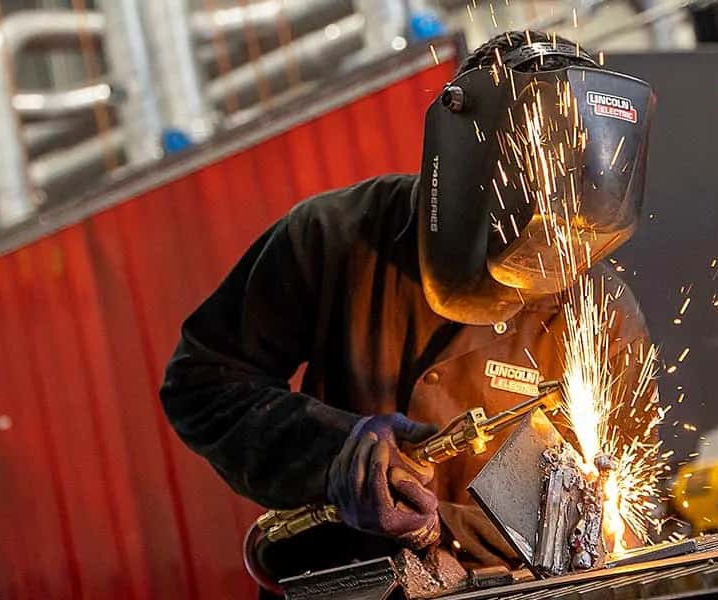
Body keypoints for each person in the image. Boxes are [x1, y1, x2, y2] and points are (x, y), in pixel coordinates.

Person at [160, 30, 658, 587]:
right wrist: (334, 449)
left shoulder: (598, 310)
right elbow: (203, 383)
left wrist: (444, 534)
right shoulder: (335, 238)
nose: (543, 261)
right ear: (470, 162)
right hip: (348, 581)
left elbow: (620, 511)